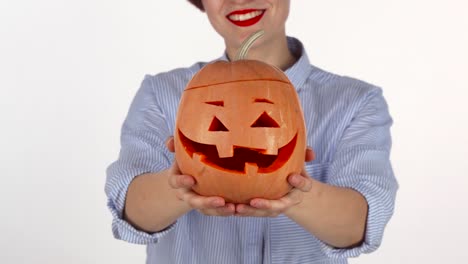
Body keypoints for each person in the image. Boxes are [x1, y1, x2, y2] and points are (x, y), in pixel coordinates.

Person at [105, 0, 398, 263]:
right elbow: (129, 208)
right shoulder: (162, 92)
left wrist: (300, 197)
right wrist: (177, 188)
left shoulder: (356, 101)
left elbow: (361, 225)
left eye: (264, 121)